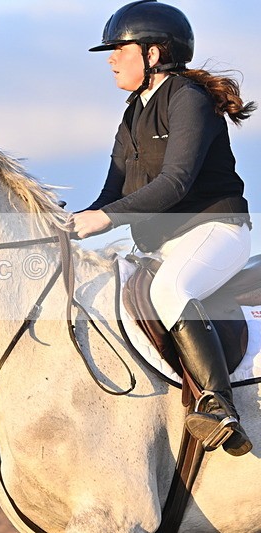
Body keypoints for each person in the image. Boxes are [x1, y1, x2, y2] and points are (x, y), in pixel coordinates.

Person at [70, 0, 255, 456]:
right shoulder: (133, 112)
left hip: (215, 230)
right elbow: (110, 193)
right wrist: (68, 223)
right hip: (165, 243)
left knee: (169, 290)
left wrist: (105, 219)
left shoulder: (188, 98)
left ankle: (219, 406)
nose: (111, 59)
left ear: (153, 53)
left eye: (120, 49)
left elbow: (175, 183)